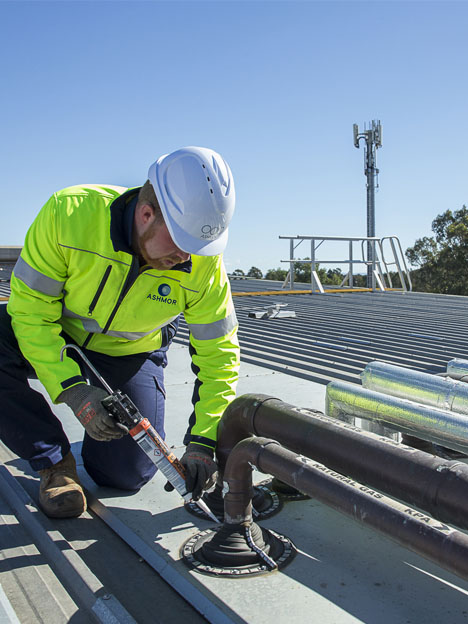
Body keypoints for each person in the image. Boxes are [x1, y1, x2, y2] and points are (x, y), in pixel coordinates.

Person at [0, 146, 240, 518]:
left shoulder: (204, 264)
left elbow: (219, 357)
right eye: (181, 244)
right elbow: (30, 313)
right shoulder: (69, 214)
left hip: (126, 355)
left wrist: (203, 442)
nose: (188, 258)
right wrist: (74, 390)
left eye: (199, 247)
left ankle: (102, 457)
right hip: (58, 336)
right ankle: (53, 462)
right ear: (146, 214)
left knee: (125, 475)